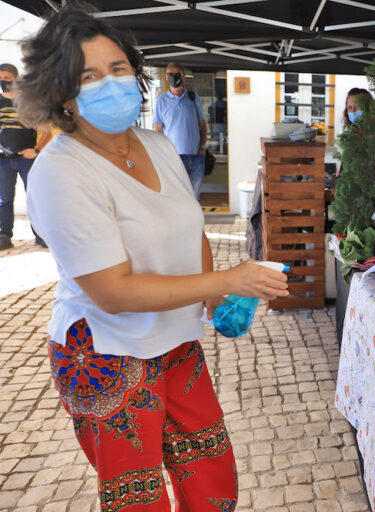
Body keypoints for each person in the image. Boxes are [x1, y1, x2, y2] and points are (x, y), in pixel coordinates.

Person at [15, 5, 288, 511]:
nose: (110, 83)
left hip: (176, 343)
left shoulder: (157, 145)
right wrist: (226, 279)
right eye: (88, 75)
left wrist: (214, 293)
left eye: (117, 68)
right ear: (60, 93)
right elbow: (113, 292)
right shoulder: (61, 172)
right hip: (106, 353)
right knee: (138, 498)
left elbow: (191, 229)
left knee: (211, 474)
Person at [0, 63, 51, 250]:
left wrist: (35, 150)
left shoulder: (29, 103)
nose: (3, 82)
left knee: (35, 197)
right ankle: (4, 236)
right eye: (0, 78)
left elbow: (46, 132)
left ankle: (40, 235)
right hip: (3, 160)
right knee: (4, 199)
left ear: (16, 79)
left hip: (27, 158)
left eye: (6, 78)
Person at [153, 62, 207, 200]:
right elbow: (158, 130)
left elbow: (203, 125)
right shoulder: (161, 101)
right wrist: (164, 152)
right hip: (174, 157)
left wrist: (202, 146)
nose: (173, 77)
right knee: (177, 196)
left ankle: (195, 222)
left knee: (194, 196)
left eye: (177, 74)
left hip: (196, 156)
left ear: (184, 77)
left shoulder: (193, 98)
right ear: (166, 77)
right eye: (170, 74)